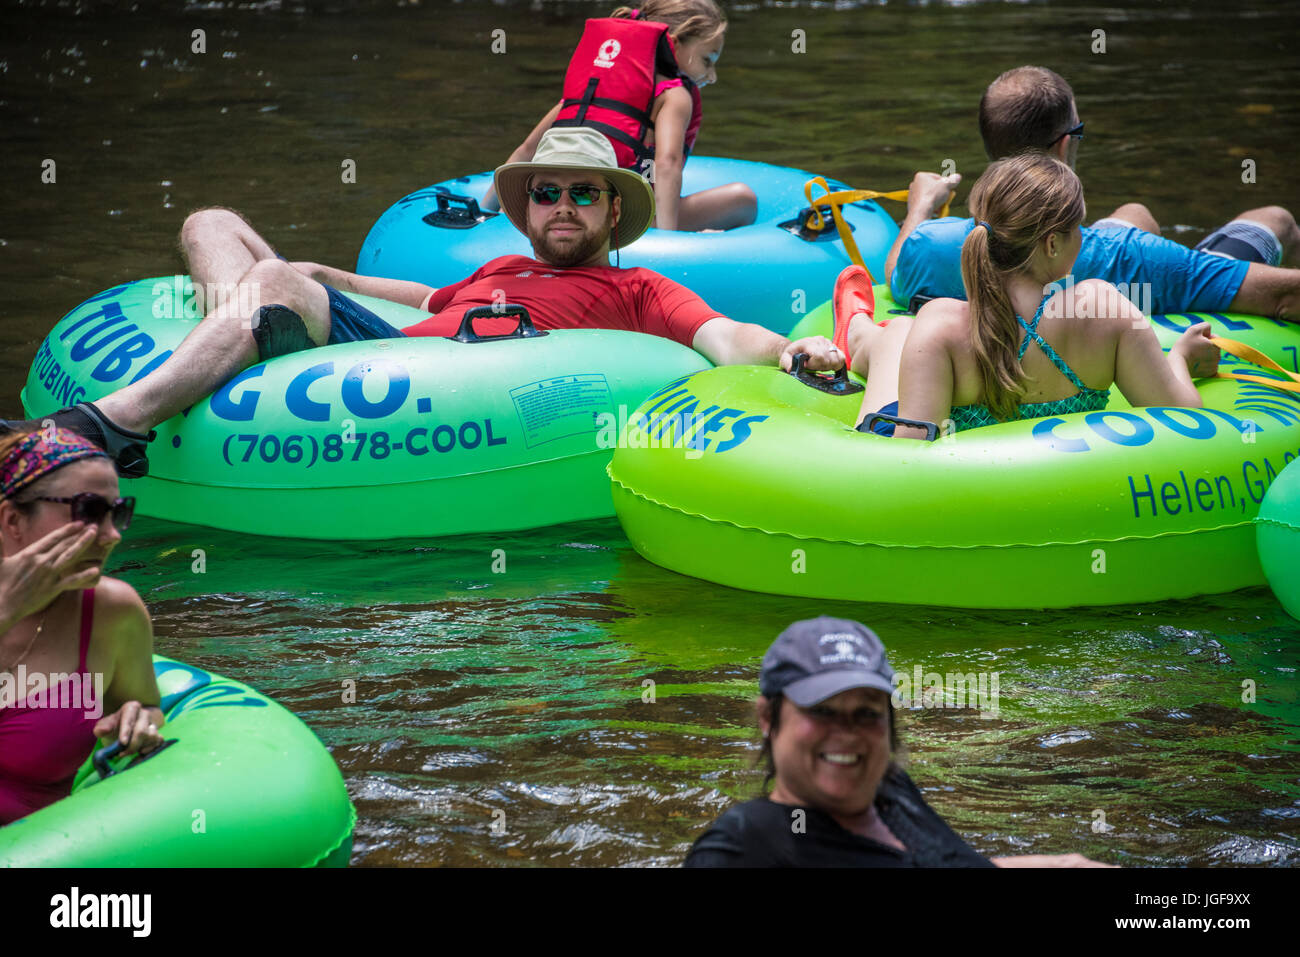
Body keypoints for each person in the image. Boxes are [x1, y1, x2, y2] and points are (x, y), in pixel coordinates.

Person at [3, 127, 838, 476]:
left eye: (584, 194)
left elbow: (725, 336)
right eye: (546, 191)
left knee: (274, 282)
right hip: (384, 343)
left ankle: (118, 422)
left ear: (614, 210)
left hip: (440, 384)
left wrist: (794, 351)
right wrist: (326, 276)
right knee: (211, 221)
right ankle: (237, 334)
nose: (563, 206)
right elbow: (416, 296)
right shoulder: (502, 265)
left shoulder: (637, 287)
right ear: (527, 202)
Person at [684, 617, 1111, 867]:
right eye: (822, 710)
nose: (847, 732)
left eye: (867, 713)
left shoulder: (891, 792)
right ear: (767, 718)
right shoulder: (743, 847)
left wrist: (1062, 863)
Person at [846, 153, 1220, 439]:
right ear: (1053, 243)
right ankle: (858, 330)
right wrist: (1182, 358)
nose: (1084, 238)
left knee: (900, 333)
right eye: (1078, 228)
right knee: (894, 338)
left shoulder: (941, 323)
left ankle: (867, 333)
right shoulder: (1106, 307)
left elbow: (911, 452)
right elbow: (1182, 416)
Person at [887, 66, 1300, 322]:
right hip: (1150, 273)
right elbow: (1286, 296)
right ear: (1064, 145)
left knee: (1135, 211)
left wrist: (920, 208)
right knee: (1277, 219)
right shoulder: (1130, 255)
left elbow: (894, 275)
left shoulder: (931, 246)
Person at [0, 427, 164, 825]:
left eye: (118, 513)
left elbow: (145, 704)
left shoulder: (112, 610)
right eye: (88, 511)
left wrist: (138, 721)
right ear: (13, 519)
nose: (111, 536)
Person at [481, 1, 757, 232]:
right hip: (617, 218)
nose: (712, 76)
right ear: (673, 44)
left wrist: (483, 214)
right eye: (707, 60)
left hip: (553, 208)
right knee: (743, 199)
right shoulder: (674, 96)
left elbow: (526, 149)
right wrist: (669, 244)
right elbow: (667, 164)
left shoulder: (592, 89)